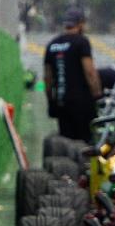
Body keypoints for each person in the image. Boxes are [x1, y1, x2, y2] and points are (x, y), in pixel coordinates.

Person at [43, 8, 102, 142]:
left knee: (66, 143)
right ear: (80, 24)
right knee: (85, 142)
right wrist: (97, 95)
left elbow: (47, 79)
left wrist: (51, 102)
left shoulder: (52, 45)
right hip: (82, 104)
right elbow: (90, 72)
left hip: (61, 103)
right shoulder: (81, 42)